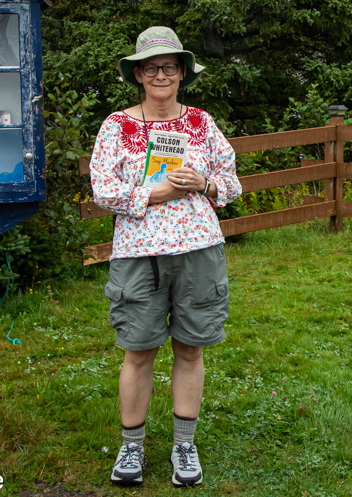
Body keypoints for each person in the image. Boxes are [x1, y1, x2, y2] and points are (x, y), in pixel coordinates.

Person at [90, 26, 242, 488]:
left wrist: (207, 185)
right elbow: (103, 190)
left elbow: (232, 184)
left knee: (191, 349)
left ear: (182, 74)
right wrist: (153, 194)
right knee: (138, 350)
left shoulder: (201, 123)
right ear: (138, 74)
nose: (161, 75)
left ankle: (184, 445)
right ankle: (131, 448)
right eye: (152, 67)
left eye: (169, 67)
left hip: (199, 249)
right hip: (139, 254)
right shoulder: (117, 126)